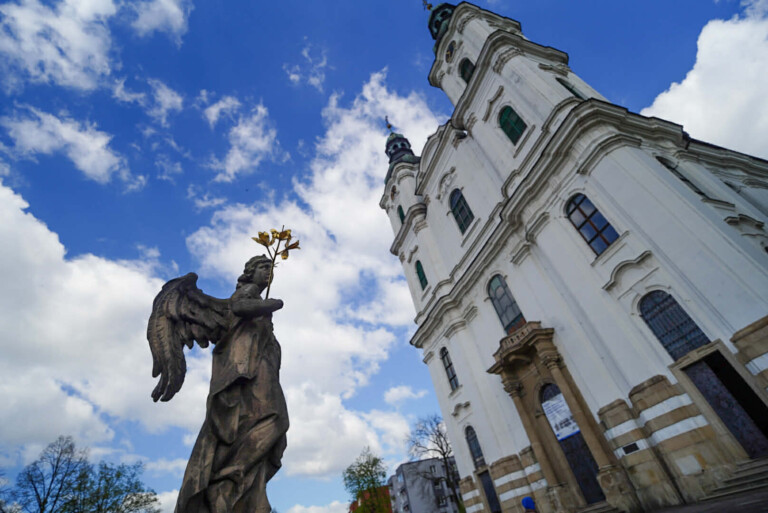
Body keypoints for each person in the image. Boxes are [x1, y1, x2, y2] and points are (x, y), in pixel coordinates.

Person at [175, 255, 289, 513]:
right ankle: (228, 478)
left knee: (267, 421)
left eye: (271, 268)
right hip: (245, 370)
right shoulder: (247, 293)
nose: (268, 273)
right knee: (276, 418)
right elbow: (239, 307)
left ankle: (235, 480)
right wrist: (272, 304)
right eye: (263, 267)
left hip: (259, 367)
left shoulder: (256, 298)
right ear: (249, 273)